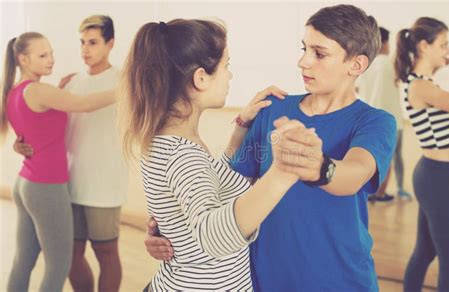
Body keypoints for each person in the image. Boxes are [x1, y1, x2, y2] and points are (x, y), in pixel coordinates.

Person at [145, 5, 397, 291]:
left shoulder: (375, 122)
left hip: (340, 279)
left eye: (319, 53)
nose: (303, 62)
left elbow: (355, 172)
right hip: (265, 279)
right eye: (304, 49)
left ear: (357, 65)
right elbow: (230, 187)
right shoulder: (273, 108)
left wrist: (319, 167)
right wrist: (173, 226)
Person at [119, 19, 320, 291]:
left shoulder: (168, 141)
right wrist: (282, 173)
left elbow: (213, 183)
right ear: (201, 78)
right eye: (227, 66)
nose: (230, 76)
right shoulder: (183, 155)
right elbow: (213, 236)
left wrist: (242, 124)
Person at [13, 15, 126, 292]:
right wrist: (21, 142)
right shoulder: (69, 82)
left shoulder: (125, 80)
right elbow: (55, 119)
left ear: (110, 43)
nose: (85, 49)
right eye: (82, 43)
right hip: (64, 185)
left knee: (106, 253)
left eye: (93, 42)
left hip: (104, 184)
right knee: (69, 258)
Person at [394, 17, 449, 292]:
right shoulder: (421, 87)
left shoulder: (424, 85)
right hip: (436, 180)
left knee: (425, 253)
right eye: (444, 44)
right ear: (424, 46)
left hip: (435, 176)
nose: (447, 51)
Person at [357, 26, 412, 202]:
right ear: (385, 43)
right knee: (394, 158)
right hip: (392, 120)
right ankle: (390, 192)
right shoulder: (389, 63)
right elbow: (405, 78)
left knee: (374, 156)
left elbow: (357, 88)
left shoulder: (365, 64)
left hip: (370, 119)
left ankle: (371, 192)